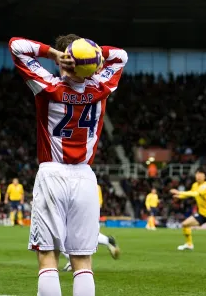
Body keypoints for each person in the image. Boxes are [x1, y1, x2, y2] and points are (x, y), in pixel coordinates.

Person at [9, 34, 127, 296]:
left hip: (52, 172)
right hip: (85, 177)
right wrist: (94, 55)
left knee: (48, 256)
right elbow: (120, 55)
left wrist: (52, 53)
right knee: (82, 261)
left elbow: (16, 46)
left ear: (64, 62)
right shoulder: (102, 87)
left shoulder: (48, 86)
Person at [62, 184, 120, 272]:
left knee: (61, 237)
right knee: (89, 235)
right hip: (92, 213)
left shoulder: (74, 183)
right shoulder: (95, 184)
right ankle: (108, 240)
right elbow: (99, 203)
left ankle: (71, 261)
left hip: (78, 214)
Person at [170, 168, 206, 250]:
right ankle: (189, 244)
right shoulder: (195, 185)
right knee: (185, 224)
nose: (198, 176)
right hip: (202, 214)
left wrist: (179, 192)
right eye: (197, 174)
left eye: (201, 174)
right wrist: (179, 196)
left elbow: (195, 193)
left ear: (205, 177)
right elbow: (190, 193)